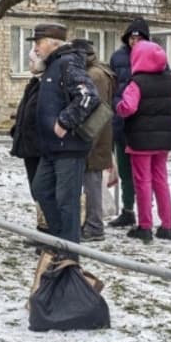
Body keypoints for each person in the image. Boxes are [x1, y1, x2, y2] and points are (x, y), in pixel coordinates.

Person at [115, 39, 171, 243]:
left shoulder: (136, 83)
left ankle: (145, 226)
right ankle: (167, 226)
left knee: (142, 182)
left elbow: (128, 107)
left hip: (140, 141)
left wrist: (119, 107)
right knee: (161, 181)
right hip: (164, 140)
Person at [30, 23, 99, 251]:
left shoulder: (67, 64)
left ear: (53, 43)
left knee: (67, 202)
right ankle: (59, 238)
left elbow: (88, 96)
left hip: (69, 148)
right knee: (40, 189)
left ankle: (70, 255)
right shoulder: (53, 66)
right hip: (51, 148)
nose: (36, 49)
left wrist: (65, 121)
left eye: (39, 43)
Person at [108, 18, 149, 228]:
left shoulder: (153, 57)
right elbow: (112, 87)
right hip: (122, 122)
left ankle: (145, 213)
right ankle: (128, 210)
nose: (135, 41)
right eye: (132, 37)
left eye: (139, 37)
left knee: (142, 172)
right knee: (124, 170)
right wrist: (116, 107)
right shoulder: (118, 57)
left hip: (143, 124)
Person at [72, 38, 115, 243]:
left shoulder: (94, 75)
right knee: (93, 181)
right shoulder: (99, 71)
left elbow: (92, 108)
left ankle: (94, 226)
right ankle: (92, 223)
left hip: (94, 135)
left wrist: (87, 139)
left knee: (92, 182)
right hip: (98, 134)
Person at [9, 49, 45, 232]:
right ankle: (41, 226)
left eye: (32, 61)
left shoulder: (46, 85)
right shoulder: (33, 83)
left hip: (38, 146)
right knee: (35, 189)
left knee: (41, 189)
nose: (29, 64)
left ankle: (45, 229)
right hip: (29, 145)